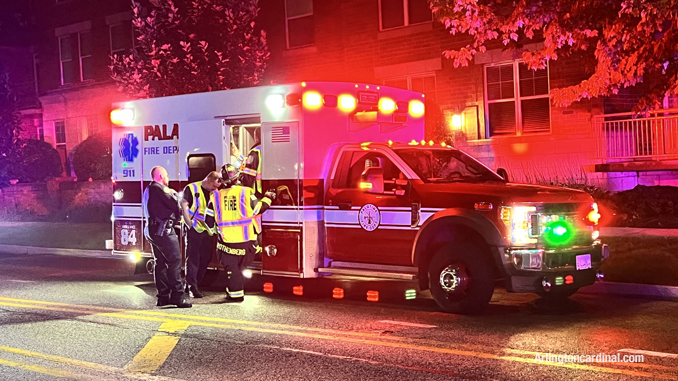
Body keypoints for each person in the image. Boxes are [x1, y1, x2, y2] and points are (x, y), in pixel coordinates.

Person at [204, 164, 275, 302]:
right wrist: (268, 197)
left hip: (227, 243)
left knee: (232, 268)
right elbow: (258, 209)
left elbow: (209, 221)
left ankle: (235, 293)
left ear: (222, 181)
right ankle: (234, 291)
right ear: (239, 177)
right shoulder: (246, 192)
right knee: (239, 267)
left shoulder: (215, 197)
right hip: (247, 242)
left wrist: (216, 232)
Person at [142, 166, 192, 308]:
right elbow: (174, 205)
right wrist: (176, 196)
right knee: (175, 261)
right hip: (164, 230)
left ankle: (163, 297)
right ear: (161, 176)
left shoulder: (148, 189)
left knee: (160, 262)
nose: (168, 179)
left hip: (152, 230)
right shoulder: (160, 189)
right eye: (167, 176)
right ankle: (178, 296)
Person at [180, 171, 222, 298]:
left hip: (208, 230)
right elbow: (183, 205)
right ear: (209, 180)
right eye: (214, 186)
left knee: (206, 258)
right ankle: (192, 286)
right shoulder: (192, 188)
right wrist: (189, 224)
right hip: (194, 228)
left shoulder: (214, 191)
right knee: (193, 259)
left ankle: (192, 283)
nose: (216, 189)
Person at [233, 128, 262, 197]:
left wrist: (244, 186)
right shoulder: (268, 149)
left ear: (256, 137)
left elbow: (249, 173)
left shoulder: (255, 152)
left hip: (256, 190)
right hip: (265, 188)